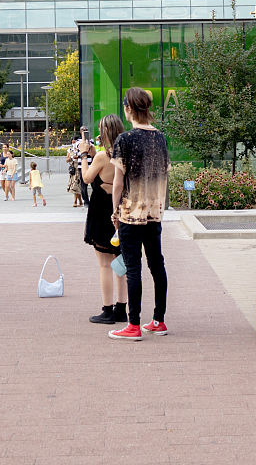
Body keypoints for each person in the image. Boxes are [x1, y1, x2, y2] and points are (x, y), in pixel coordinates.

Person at [107, 87, 170, 341]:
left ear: (129, 109)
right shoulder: (161, 138)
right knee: (157, 265)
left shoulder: (125, 139)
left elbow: (118, 183)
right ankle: (159, 319)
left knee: (133, 268)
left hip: (131, 213)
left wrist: (114, 210)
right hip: (154, 212)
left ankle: (133, 324)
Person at [80, 114, 128, 325]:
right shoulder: (125, 153)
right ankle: (122, 308)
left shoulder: (101, 156)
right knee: (121, 262)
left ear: (106, 132)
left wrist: (84, 156)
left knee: (104, 264)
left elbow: (87, 177)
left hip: (101, 210)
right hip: (121, 208)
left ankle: (107, 310)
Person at [65, 136, 84, 207]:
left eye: (75, 142)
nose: (74, 144)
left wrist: (78, 157)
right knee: (75, 185)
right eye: (72, 142)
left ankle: (76, 201)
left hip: (80, 168)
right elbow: (67, 160)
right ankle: (79, 201)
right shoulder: (70, 150)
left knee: (77, 185)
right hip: (73, 170)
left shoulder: (80, 149)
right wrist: (71, 158)